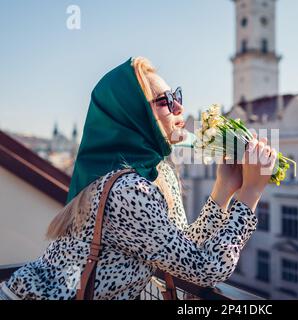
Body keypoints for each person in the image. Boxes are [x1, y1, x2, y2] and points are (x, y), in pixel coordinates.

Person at [0, 57, 277, 300]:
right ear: (133, 113)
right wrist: (251, 192)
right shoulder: (128, 189)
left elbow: (180, 249)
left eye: (177, 96)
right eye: (166, 101)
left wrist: (223, 190)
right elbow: (204, 269)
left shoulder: (158, 173)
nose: (179, 108)